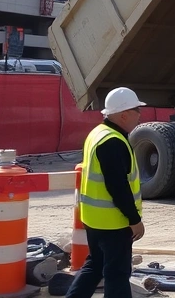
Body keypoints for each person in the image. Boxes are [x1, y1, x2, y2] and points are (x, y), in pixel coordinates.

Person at [66, 87, 146, 298]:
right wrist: (134, 219)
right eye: (137, 110)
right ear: (124, 115)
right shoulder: (113, 141)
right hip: (113, 222)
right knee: (117, 275)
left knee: (95, 266)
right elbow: (117, 187)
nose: (140, 115)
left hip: (94, 219)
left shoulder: (98, 133)